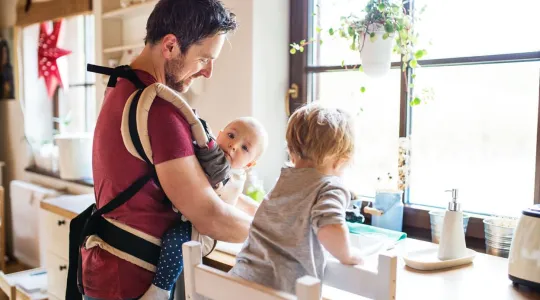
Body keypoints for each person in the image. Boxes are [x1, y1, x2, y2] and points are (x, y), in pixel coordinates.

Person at [81, 1, 253, 299]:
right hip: (132, 282)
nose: (208, 72)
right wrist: (279, 235)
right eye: (203, 59)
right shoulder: (159, 110)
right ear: (171, 46)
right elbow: (210, 215)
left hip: (107, 270)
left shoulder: (122, 84)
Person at [229, 103, 364, 294]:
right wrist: (348, 255)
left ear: (292, 153)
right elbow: (330, 228)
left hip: (238, 282)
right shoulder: (331, 186)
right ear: (341, 160)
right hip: (281, 291)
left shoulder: (284, 181)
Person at [140, 117, 267, 300]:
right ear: (220, 134)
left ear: (249, 164)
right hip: (188, 217)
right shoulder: (213, 158)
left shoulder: (232, 176)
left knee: (175, 239)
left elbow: (214, 186)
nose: (233, 145)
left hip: (202, 234)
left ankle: (161, 289)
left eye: (245, 148)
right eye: (231, 135)